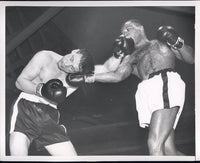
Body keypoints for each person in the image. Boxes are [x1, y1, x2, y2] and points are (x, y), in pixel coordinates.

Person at [66, 19, 194, 155]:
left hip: (164, 82)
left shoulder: (159, 42)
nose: (124, 34)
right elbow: (117, 76)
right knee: (168, 150)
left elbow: (191, 58)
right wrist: (87, 77)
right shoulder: (129, 57)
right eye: (122, 32)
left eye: (128, 29)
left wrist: (177, 42)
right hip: (147, 92)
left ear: (141, 28)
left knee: (154, 143)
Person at [9, 49, 95, 156]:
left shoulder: (75, 78)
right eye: (71, 58)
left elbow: (111, 71)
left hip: (50, 115)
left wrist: (119, 55)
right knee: (18, 156)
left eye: (72, 68)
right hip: (27, 108)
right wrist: (41, 90)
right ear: (75, 51)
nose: (67, 64)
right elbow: (19, 82)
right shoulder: (45, 57)